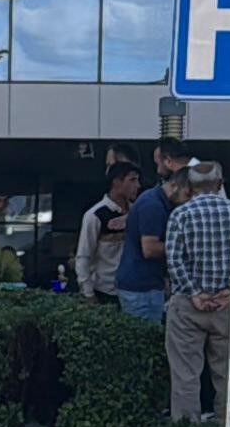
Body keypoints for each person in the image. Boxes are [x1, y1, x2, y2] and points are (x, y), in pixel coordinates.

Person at [160, 160, 230, 422]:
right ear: (219, 184)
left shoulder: (180, 215)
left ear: (190, 187)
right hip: (226, 305)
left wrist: (194, 292)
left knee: (185, 375)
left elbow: (174, 259)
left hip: (188, 305)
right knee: (228, 375)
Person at [112, 139, 188, 324]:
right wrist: (186, 247)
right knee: (145, 341)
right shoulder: (153, 205)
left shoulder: (156, 202)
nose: (188, 201)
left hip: (147, 285)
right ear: (177, 187)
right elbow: (150, 248)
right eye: (188, 194)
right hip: (141, 289)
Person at [74, 161, 140, 301]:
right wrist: (88, 293)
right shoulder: (95, 215)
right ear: (117, 182)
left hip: (135, 290)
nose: (137, 186)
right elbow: (84, 255)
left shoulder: (137, 211)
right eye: (132, 180)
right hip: (106, 291)